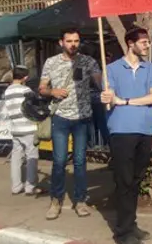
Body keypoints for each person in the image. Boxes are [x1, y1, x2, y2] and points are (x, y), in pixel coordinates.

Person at [101, 28, 152, 244]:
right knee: (124, 180)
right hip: (122, 130)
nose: (147, 45)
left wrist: (125, 101)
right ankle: (122, 231)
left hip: (145, 129)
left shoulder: (151, 68)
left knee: (136, 180)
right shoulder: (112, 69)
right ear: (130, 43)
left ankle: (131, 223)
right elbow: (109, 100)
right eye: (144, 42)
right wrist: (108, 98)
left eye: (148, 42)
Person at [38, 28, 102, 220]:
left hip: (82, 118)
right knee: (59, 161)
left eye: (76, 41)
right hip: (61, 117)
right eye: (69, 41)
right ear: (61, 43)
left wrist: (105, 84)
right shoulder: (51, 62)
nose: (73, 44)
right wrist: (52, 92)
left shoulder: (87, 61)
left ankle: (80, 200)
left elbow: (100, 82)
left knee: (81, 161)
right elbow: (42, 88)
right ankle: (56, 200)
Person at [5, 65, 43, 196]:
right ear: (25, 77)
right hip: (28, 128)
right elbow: (35, 104)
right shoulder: (26, 90)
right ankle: (30, 186)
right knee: (32, 157)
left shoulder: (7, 91)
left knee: (16, 158)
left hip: (15, 129)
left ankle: (16, 187)